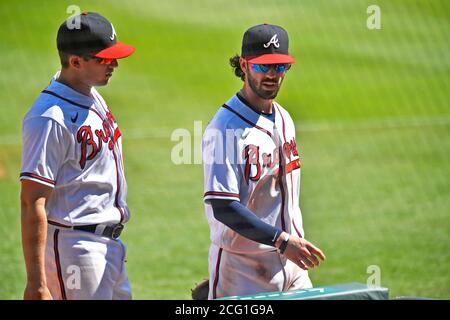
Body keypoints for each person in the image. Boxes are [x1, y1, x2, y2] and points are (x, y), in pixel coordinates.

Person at [202, 24, 326, 299]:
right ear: (244, 65)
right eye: (263, 66)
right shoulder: (224, 128)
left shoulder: (284, 118)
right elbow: (223, 206)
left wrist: (286, 245)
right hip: (244, 269)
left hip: (293, 262)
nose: (272, 75)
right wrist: (281, 241)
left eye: (279, 67)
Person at [20, 12, 135, 300]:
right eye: (105, 59)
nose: (115, 65)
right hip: (75, 247)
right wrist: (37, 283)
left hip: (107, 247)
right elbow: (32, 199)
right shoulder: (49, 118)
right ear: (75, 62)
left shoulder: (88, 92)